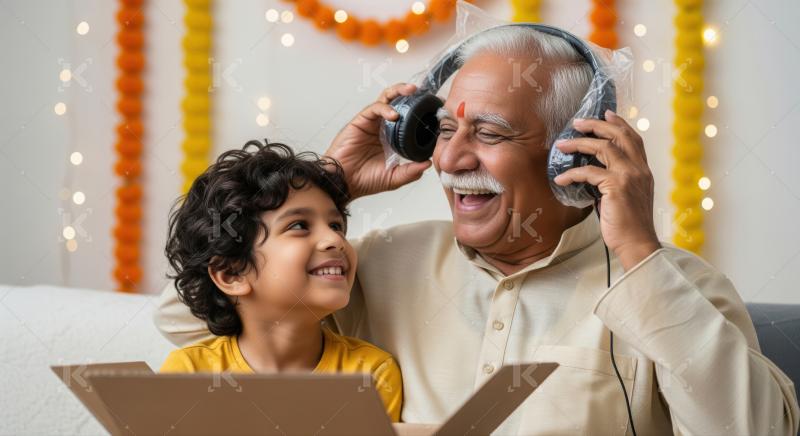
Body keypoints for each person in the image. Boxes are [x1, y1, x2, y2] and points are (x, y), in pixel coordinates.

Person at [155, 26, 798, 434]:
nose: (449, 159)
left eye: (488, 133)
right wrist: (325, 184)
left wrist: (637, 251)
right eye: (441, 131)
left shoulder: (674, 285)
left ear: (572, 152)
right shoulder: (374, 264)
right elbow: (202, 320)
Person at [158, 140, 402, 422]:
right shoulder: (189, 373)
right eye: (299, 225)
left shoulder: (371, 374)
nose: (335, 239)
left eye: (336, 225)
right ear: (232, 274)